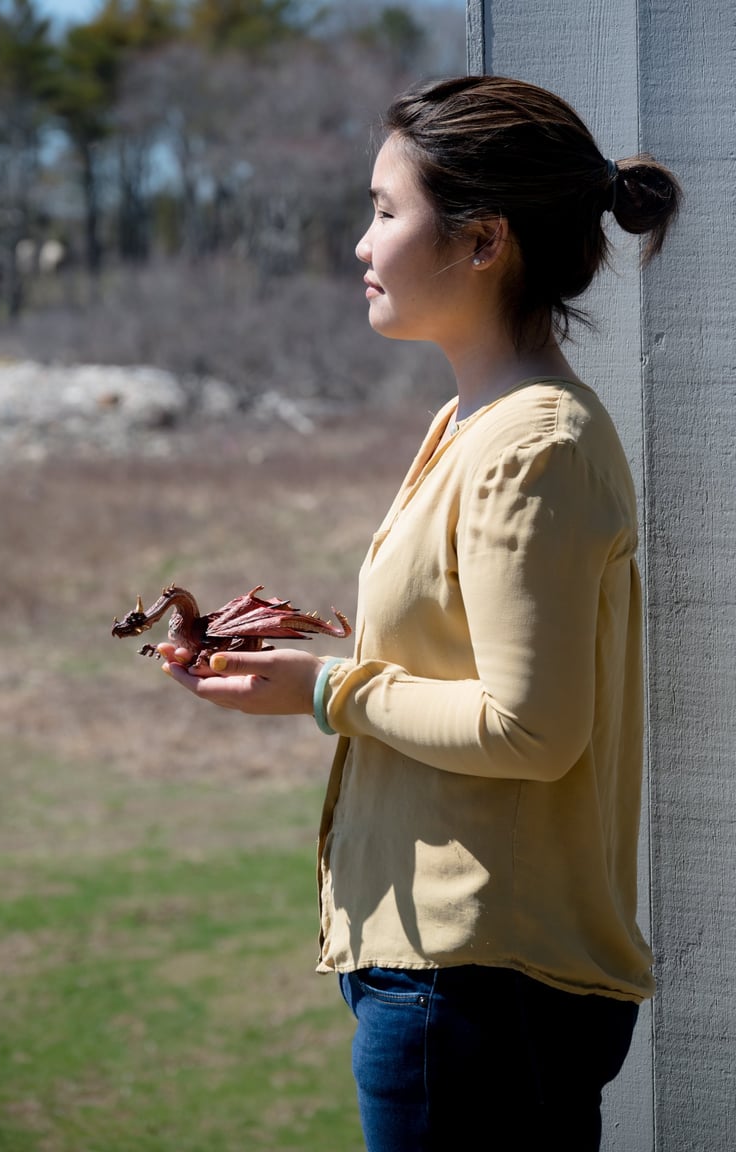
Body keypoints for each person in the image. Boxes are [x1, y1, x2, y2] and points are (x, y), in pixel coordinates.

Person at [156, 75, 680, 1151]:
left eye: (386, 212)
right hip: (457, 983)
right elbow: (484, 647)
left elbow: (533, 731)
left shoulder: (531, 443)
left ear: (483, 242)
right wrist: (337, 644)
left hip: (478, 991)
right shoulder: (471, 420)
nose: (360, 243)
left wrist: (325, 690)